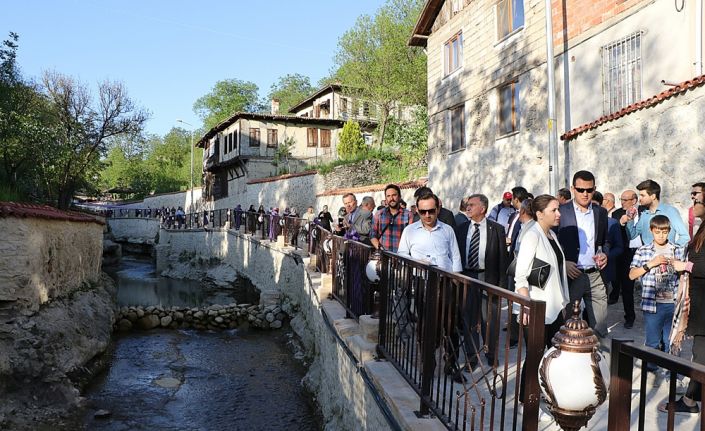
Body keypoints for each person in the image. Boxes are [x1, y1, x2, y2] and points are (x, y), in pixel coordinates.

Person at [515, 194, 570, 416]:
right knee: (536, 356)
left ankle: (546, 397)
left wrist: (564, 302)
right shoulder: (532, 236)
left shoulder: (552, 236)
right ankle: (524, 401)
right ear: (539, 214)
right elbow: (521, 276)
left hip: (555, 308)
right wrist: (527, 305)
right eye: (554, 210)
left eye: (558, 210)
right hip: (536, 308)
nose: (558, 214)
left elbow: (557, 271)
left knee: (552, 356)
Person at [455, 193, 509, 372]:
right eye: (467, 205)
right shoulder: (461, 229)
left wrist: (500, 287)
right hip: (468, 278)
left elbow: (503, 260)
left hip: (488, 278)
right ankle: (472, 357)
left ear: (483, 208)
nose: (468, 208)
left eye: (471, 205)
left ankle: (491, 354)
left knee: (490, 319)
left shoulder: (497, 229)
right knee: (469, 318)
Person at [629, 215, 686, 384]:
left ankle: (672, 373)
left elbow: (685, 276)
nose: (661, 235)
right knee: (652, 341)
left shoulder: (677, 250)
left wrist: (679, 266)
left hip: (673, 303)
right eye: (657, 232)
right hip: (652, 304)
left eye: (665, 232)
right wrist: (651, 264)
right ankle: (651, 369)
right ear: (651, 231)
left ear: (669, 231)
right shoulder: (643, 251)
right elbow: (632, 275)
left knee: (671, 342)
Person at [661, 199, 705, 414]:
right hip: (700, 302)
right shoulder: (703, 227)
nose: (693, 200)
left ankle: (689, 401)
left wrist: (685, 266)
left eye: (697, 195)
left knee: (700, 354)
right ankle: (690, 398)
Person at [555, 170, 610, 336]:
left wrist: (604, 254)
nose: (585, 194)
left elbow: (605, 241)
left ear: (594, 189)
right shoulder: (561, 212)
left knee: (600, 328)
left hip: (596, 275)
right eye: (580, 190)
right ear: (573, 189)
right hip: (572, 276)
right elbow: (551, 243)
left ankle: (599, 361)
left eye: (589, 190)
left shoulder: (600, 212)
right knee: (569, 328)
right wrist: (563, 263)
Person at [397, 192, 462, 272]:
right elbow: (402, 254)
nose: (427, 215)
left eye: (431, 211)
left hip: (445, 279)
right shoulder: (409, 230)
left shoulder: (447, 229)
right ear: (417, 210)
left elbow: (455, 256)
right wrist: (416, 263)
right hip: (419, 278)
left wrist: (456, 277)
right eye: (423, 212)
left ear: (437, 210)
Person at [621, 179, 689, 247]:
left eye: (643, 195)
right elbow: (632, 235)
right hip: (647, 255)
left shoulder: (670, 211)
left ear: (653, 196)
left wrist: (673, 251)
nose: (640, 199)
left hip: (666, 256)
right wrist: (630, 220)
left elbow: (685, 236)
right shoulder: (644, 214)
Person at [610, 189, 641, 327]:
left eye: (625, 200)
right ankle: (630, 317)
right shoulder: (617, 214)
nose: (621, 202)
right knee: (627, 287)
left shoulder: (644, 212)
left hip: (643, 251)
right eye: (620, 199)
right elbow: (615, 234)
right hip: (626, 254)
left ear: (634, 200)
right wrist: (622, 222)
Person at [370, 184, 412, 253]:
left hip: (401, 257)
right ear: (386, 199)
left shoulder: (408, 215)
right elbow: (372, 234)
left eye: (394, 195)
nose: (391, 198)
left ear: (399, 197)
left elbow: (411, 238)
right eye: (388, 196)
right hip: (383, 256)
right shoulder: (379, 214)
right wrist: (381, 250)